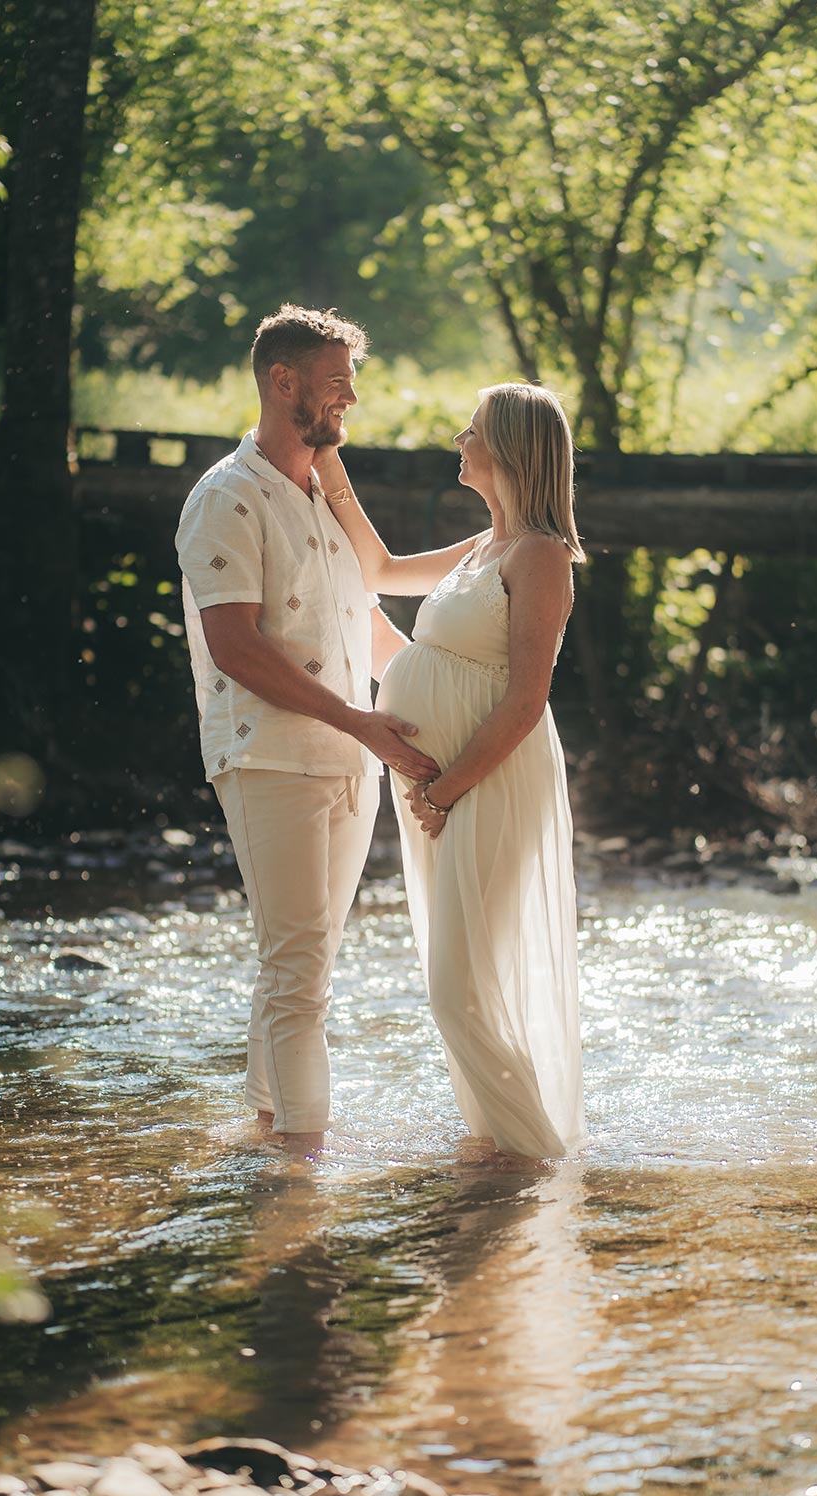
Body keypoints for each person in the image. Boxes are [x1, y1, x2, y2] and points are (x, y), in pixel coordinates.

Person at [175, 305, 479, 1151]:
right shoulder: (225, 498)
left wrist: (441, 706)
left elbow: (367, 621)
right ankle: (304, 1167)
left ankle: (267, 1126)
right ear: (284, 382)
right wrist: (361, 723)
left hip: (352, 761)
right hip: (268, 757)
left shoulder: (324, 491)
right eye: (337, 381)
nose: (350, 396)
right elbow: (236, 646)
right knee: (300, 967)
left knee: (304, 960)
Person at [314, 382, 586, 1159]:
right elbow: (381, 568)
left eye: (470, 432)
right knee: (461, 979)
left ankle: (537, 1162)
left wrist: (445, 789)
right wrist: (328, 466)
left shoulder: (541, 556)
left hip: (488, 782)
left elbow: (527, 700)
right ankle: (500, 1149)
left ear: (506, 450)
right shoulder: (482, 546)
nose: (458, 443)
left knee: (458, 987)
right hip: (442, 789)